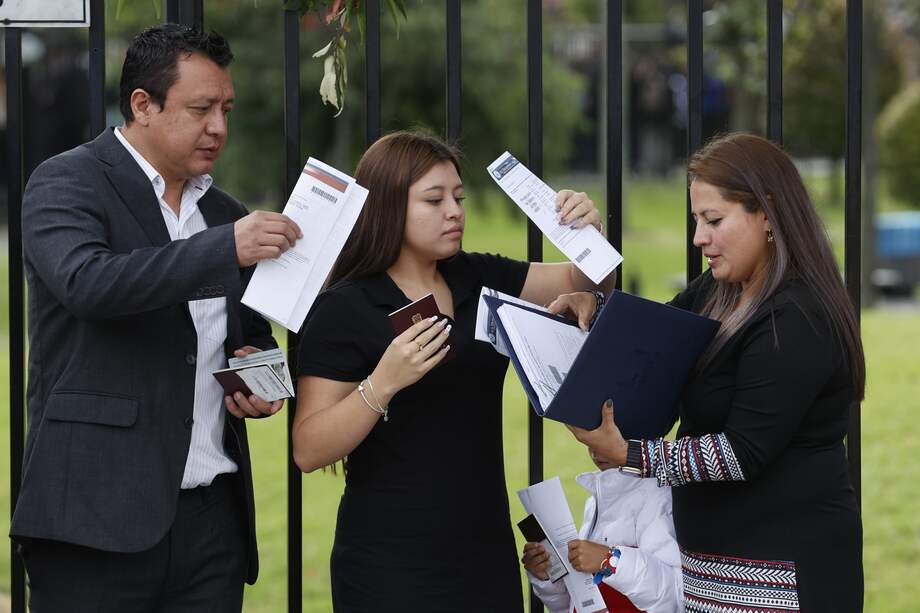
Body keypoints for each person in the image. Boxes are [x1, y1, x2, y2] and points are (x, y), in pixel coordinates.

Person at [11, 24, 302, 612]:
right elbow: (88, 283)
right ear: (142, 104)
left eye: (226, 108)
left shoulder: (222, 212)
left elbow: (251, 335)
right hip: (91, 519)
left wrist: (261, 376)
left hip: (211, 522)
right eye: (201, 108)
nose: (218, 126)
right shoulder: (65, 181)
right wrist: (226, 247)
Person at [292, 131, 616, 612]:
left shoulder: (475, 276)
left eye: (459, 197)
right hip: (390, 562)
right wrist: (382, 384)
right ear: (386, 207)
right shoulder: (345, 308)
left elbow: (583, 279)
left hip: (483, 550)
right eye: (434, 199)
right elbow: (308, 448)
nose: (454, 211)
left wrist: (587, 234)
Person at [557, 132, 865, 612]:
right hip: (710, 572)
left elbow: (742, 453)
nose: (699, 237)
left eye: (713, 220)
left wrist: (630, 454)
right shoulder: (721, 289)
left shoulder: (798, 316)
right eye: (696, 220)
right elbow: (652, 343)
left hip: (781, 578)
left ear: (767, 213)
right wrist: (593, 308)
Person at [522, 443, 683, 613]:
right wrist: (548, 577)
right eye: (588, 439)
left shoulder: (660, 497)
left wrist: (610, 561)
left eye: (603, 436)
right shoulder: (596, 501)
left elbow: (674, 596)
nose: (595, 449)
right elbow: (576, 604)